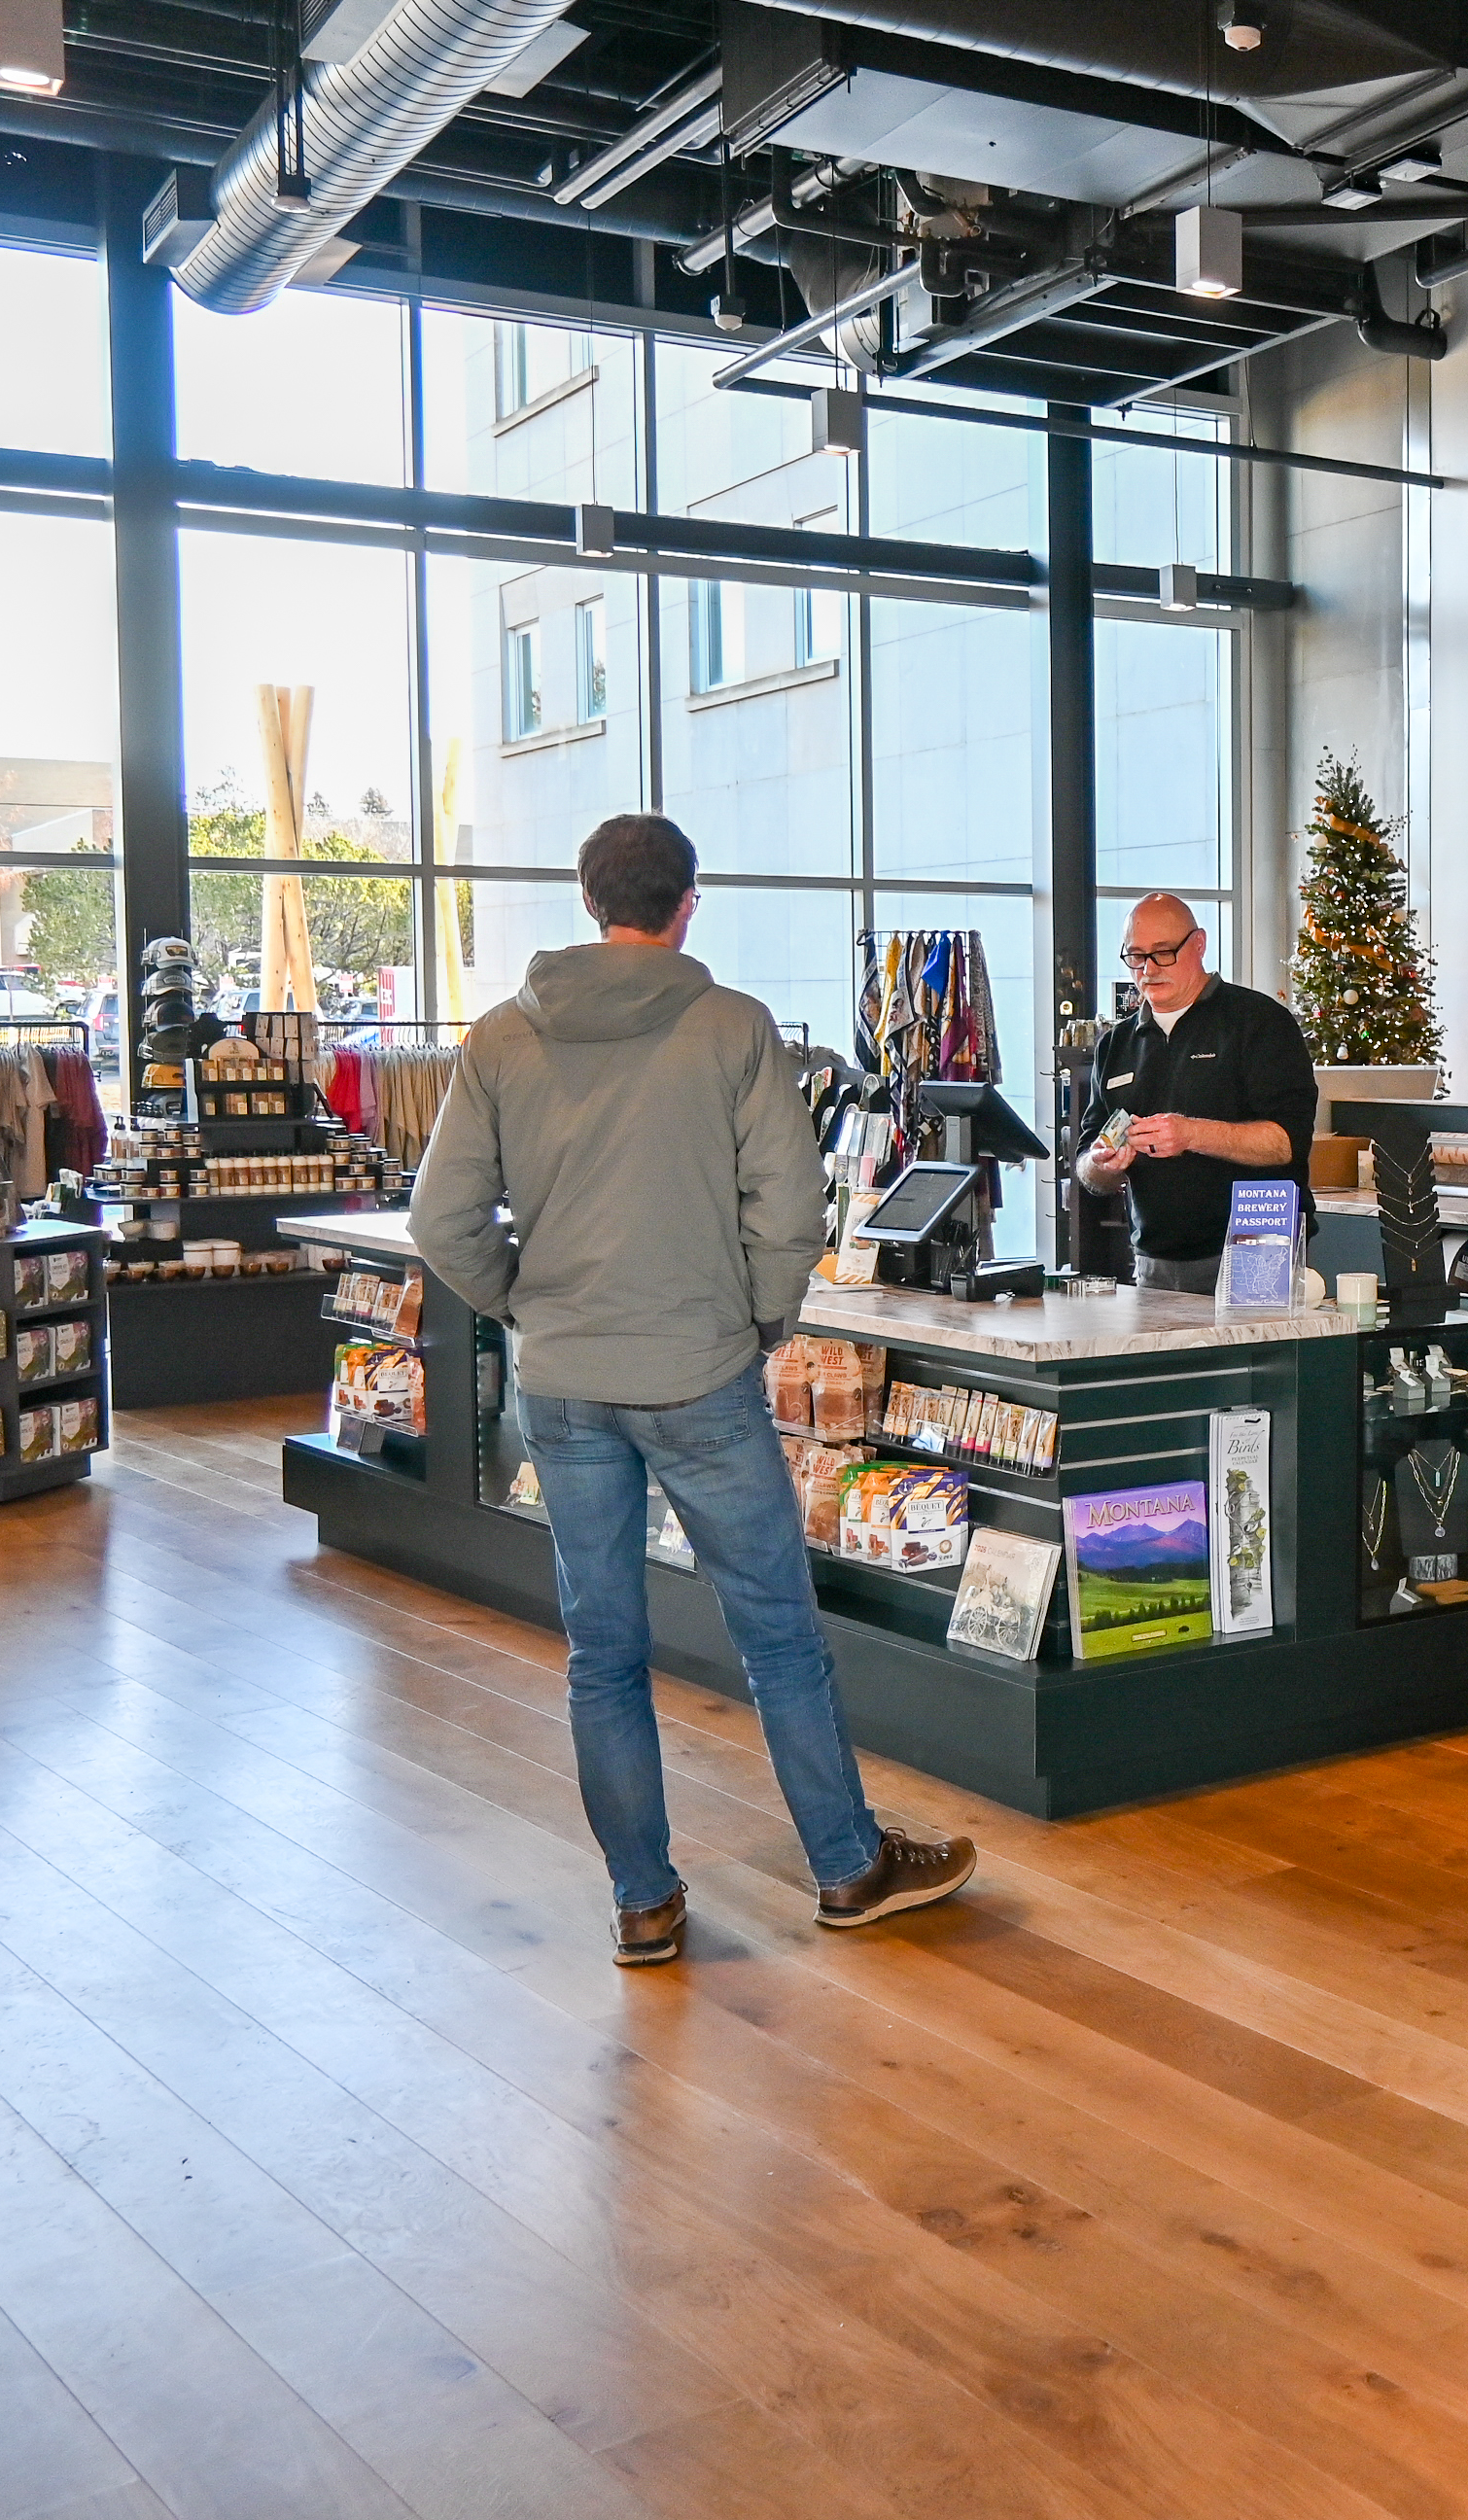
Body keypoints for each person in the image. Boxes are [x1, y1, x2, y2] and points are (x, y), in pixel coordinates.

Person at [410, 814, 976, 1967]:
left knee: (600, 1650)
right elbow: (792, 1207)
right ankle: (847, 1866)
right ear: (689, 902)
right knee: (777, 1634)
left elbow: (439, 1220)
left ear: (587, 899)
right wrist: (763, 1317)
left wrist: (522, 1302)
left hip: (565, 1382)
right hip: (700, 1373)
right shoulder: (733, 1028)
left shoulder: (502, 1039)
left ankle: (643, 1901)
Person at [1070, 892, 1319, 1294]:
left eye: (1163, 952)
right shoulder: (1115, 1044)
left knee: (1253, 1359)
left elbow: (1287, 1142)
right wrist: (1104, 1164)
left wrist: (1191, 1134)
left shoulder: (1259, 1022)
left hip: (1259, 1249)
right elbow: (1086, 1165)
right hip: (1154, 1260)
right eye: (1135, 956)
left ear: (1199, 944)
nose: (1148, 969)